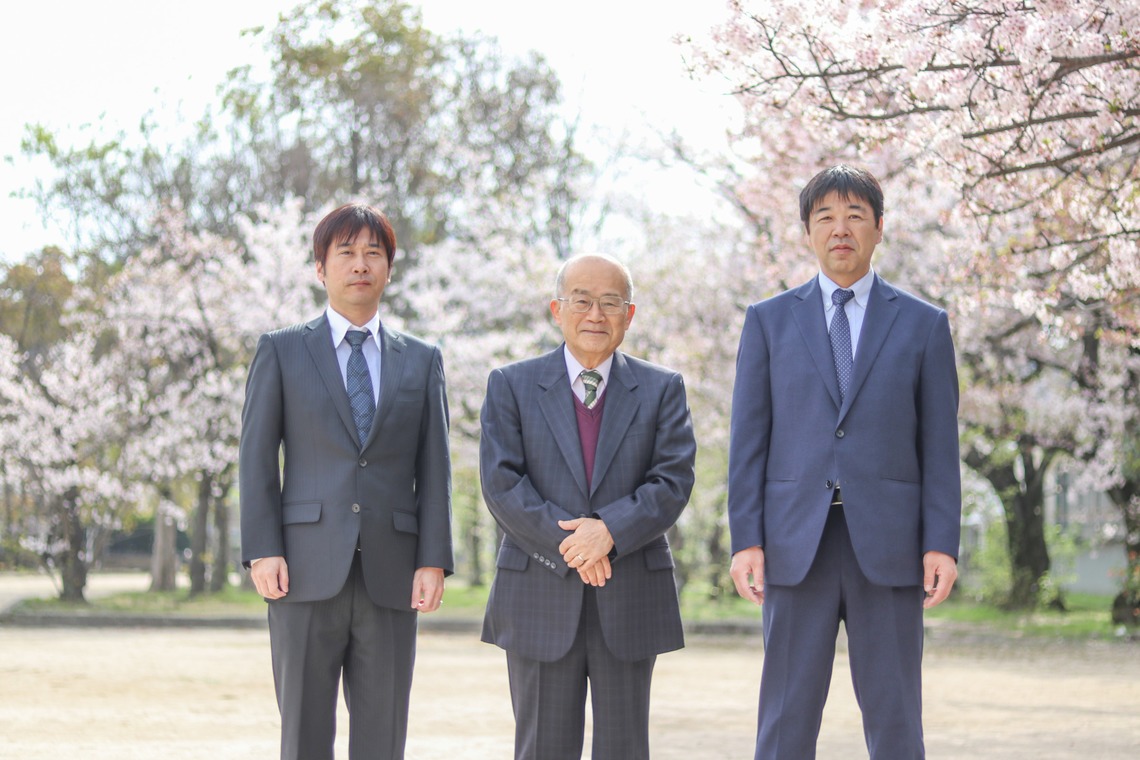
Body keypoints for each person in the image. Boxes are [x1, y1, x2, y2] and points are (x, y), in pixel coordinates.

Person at [727, 165, 961, 759]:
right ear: (807, 232)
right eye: (825, 217)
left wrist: (942, 542)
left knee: (895, 713)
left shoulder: (924, 324)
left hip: (889, 543)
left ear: (879, 228)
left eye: (855, 215)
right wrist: (745, 538)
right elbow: (749, 439)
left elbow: (939, 446)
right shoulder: (768, 321)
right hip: (792, 543)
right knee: (785, 715)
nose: (840, 229)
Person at [239, 203, 453, 760]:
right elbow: (257, 457)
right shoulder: (282, 350)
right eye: (346, 253)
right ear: (320, 268)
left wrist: (433, 558)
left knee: (383, 737)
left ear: (388, 268)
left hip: (392, 572)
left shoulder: (422, 360)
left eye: (373, 253)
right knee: (305, 734)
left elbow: (435, 467)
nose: (361, 264)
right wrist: (263, 550)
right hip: (302, 570)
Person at [479, 253, 697, 760]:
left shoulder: (663, 389)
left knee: (625, 750)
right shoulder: (511, 385)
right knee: (542, 750)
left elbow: (672, 479)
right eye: (581, 300)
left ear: (630, 314)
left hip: (631, 595)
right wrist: (577, 544)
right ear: (557, 309)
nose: (595, 315)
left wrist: (610, 532)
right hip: (538, 591)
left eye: (610, 303)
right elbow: (501, 483)